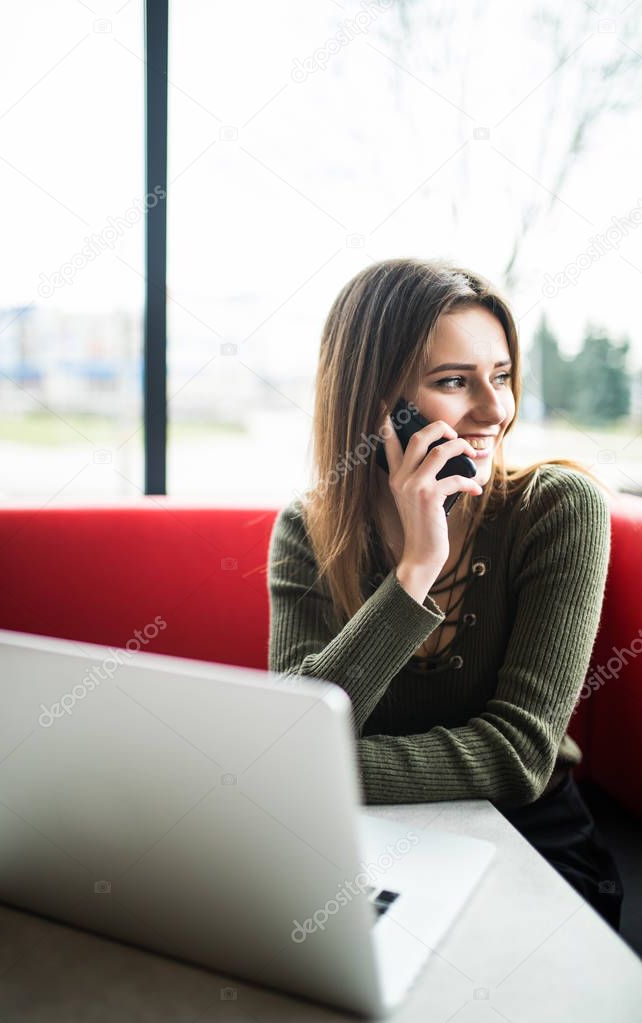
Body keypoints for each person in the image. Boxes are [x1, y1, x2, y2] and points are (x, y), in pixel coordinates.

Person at [266, 258, 624, 932]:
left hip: (529, 840)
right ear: (378, 405)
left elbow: (516, 754)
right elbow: (296, 729)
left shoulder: (557, 509)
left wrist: (308, 771)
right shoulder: (307, 530)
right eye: (455, 383)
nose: (497, 411)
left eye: (503, 377)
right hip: (356, 845)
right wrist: (416, 569)